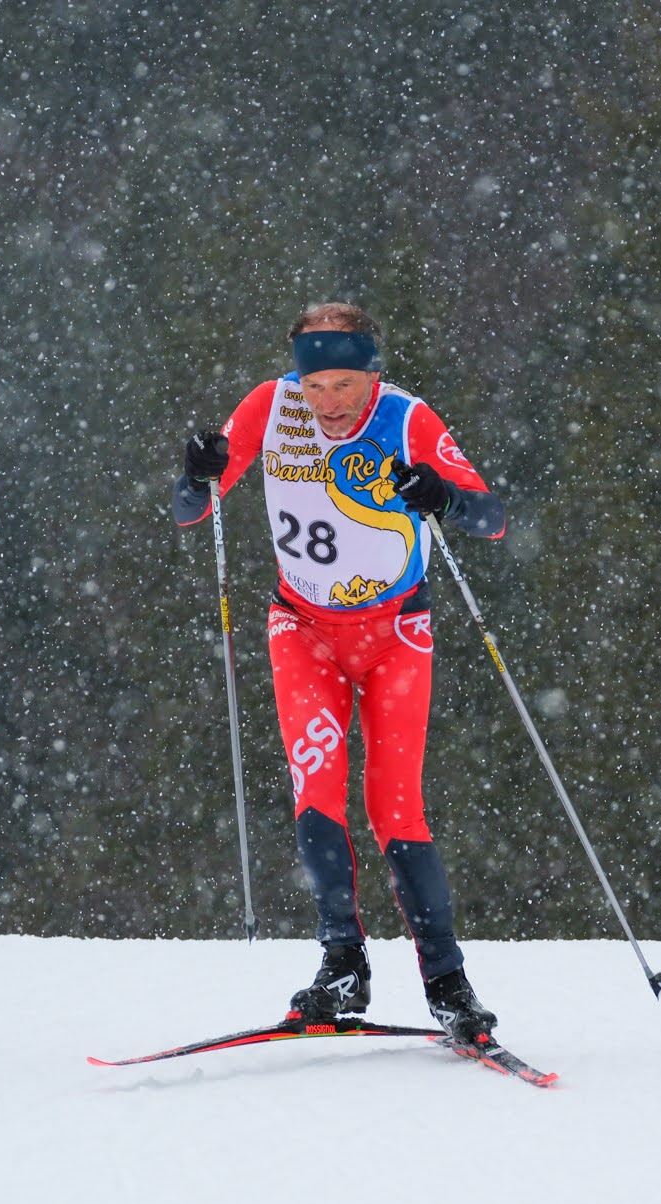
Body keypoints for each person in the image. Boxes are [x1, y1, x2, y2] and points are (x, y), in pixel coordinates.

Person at [174, 303, 508, 1042]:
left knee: (397, 805)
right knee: (316, 788)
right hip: (303, 631)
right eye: (315, 384)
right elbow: (192, 508)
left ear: (371, 374)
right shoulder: (271, 407)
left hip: (395, 635)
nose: (327, 402)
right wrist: (197, 473)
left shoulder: (407, 418)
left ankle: (447, 983)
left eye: (344, 385)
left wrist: (443, 498)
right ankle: (342, 965)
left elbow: (492, 518)